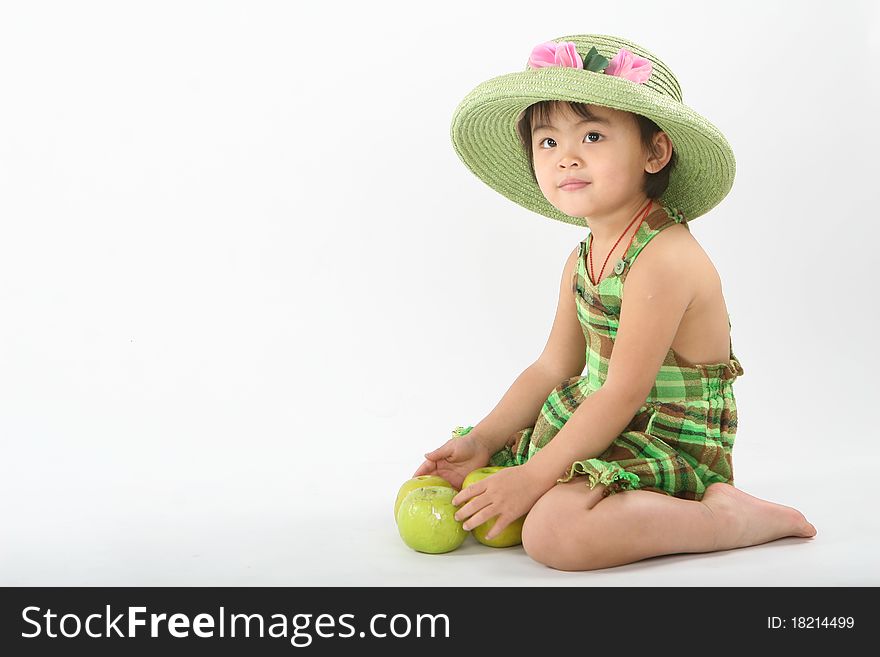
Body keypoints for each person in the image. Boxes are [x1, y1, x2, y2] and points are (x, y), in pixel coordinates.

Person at [412, 34, 816, 571]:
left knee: (553, 534)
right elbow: (554, 366)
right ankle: (566, 488)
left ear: (655, 151)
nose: (567, 157)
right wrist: (485, 440)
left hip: (665, 435)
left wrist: (534, 478)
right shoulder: (584, 256)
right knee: (467, 480)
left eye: (594, 135)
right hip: (602, 420)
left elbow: (623, 393)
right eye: (548, 142)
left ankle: (723, 518)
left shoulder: (663, 258)